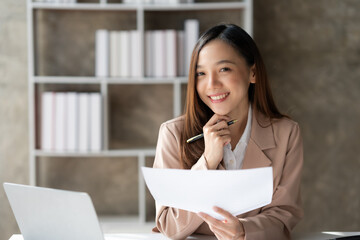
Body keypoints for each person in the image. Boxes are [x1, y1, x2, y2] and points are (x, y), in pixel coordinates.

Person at [152, 23, 303, 240]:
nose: (211, 84)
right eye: (201, 73)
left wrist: (245, 231)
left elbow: (284, 216)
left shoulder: (287, 134)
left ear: (253, 73)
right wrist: (207, 161)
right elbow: (169, 226)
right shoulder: (172, 134)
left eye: (224, 69)